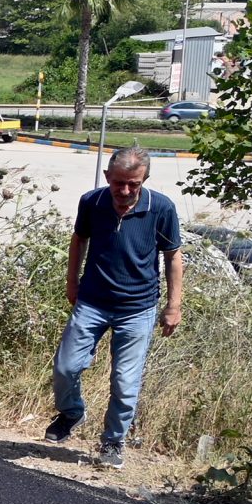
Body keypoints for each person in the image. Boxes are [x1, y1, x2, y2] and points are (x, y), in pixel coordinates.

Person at [47, 146, 184, 469]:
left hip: (138, 308)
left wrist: (173, 305)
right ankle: (71, 412)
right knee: (65, 367)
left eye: (133, 184)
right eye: (118, 183)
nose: (124, 191)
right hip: (92, 301)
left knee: (125, 381)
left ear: (144, 180)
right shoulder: (92, 202)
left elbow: (173, 256)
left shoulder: (161, 208)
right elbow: (79, 239)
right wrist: (72, 282)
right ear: (107, 176)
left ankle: (112, 441)